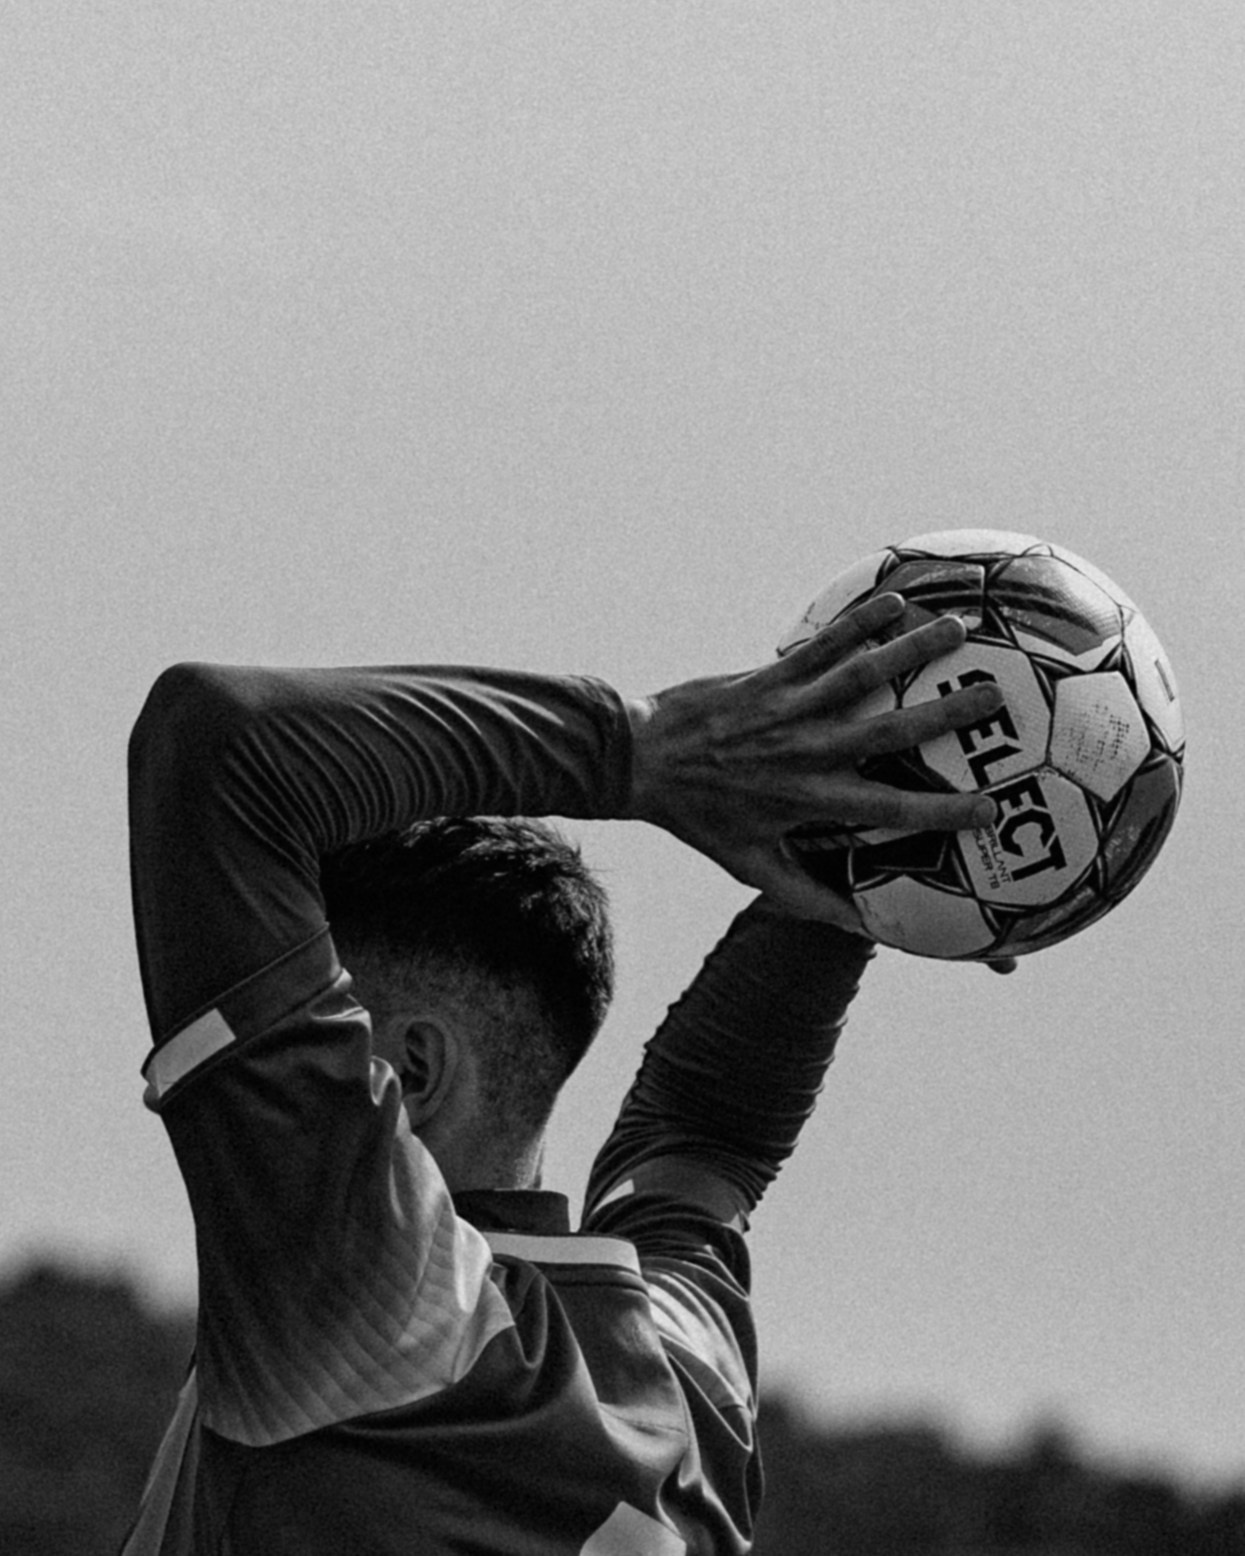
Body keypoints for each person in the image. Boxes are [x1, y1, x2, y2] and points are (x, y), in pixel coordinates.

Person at [122, 596, 1006, 1555]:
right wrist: (866, 857)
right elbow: (705, 1138)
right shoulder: (681, 1368)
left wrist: (644, 751)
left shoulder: (367, 1294)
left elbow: (217, 744)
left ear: (410, 1071)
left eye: (320, 1015)